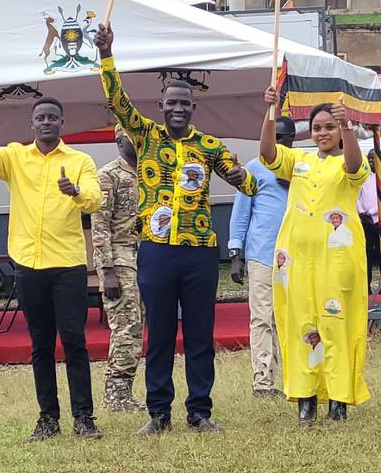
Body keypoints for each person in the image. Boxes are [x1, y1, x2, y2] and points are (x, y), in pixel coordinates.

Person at [95, 24, 256, 435]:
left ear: (193, 108)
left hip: (200, 251)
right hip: (157, 251)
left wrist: (240, 175)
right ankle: (159, 413)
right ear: (161, 105)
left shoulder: (209, 145)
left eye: (185, 102)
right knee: (161, 333)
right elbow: (116, 100)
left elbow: (249, 185)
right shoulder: (145, 136)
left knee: (201, 333)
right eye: (172, 102)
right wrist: (107, 55)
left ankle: (200, 411)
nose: (179, 108)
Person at [0, 96, 103, 441]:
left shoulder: (80, 160)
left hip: (67, 265)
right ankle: (48, 418)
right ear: (31, 124)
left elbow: (95, 198)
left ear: (62, 123)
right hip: (29, 264)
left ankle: (84, 417)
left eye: (53, 117)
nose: (46, 122)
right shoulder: (15, 157)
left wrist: (76, 191)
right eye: (40, 117)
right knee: (40, 345)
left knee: (75, 341)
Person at [260, 87, 371, 427]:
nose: (323, 133)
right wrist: (270, 112)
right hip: (295, 261)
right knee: (301, 327)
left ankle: (338, 402)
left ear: (339, 131)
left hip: (336, 261)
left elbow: (354, 167)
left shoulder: (351, 157)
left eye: (329, 127)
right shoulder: (300, 161)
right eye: (318, 127)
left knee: (335, 327)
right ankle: (305, 402)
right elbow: (267, 153)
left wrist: (349, 127)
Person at [228, 117, 296, 399]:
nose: (278, 143)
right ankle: (263, 382)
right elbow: (241, 213)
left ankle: (296, 381)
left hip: (296, 257)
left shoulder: (300, 168)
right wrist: (235, 253)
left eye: (283, 138)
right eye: (274, 137)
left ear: (292, 139)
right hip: (262, 255)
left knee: (292, 320)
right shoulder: (254, 169)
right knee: (262, 319)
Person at [92, 124, 145, 412]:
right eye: (129, 138)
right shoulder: (108, 175)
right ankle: (116, 395)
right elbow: (99, 226)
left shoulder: (149, 173)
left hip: (145, 257)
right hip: (119, 259)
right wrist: (107, 271)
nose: (135, 143)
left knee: (138, 326)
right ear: (118, 140)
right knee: (126, 326)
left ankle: (125, 393)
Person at [357, 149, 381, 291]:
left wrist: (372, 213)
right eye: (369, 159)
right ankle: (367, 287)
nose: (371, 161)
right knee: (367, 254)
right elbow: (357, 194)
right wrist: (361, 212)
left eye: (374, 159)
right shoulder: (363, 175)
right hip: (364, 220)